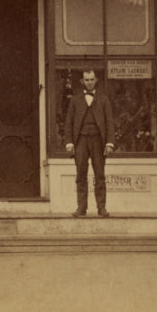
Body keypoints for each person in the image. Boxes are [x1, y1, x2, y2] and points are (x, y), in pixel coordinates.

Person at [63, 69, 116, 217]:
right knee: (81, 174)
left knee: (100, 174)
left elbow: (110, 122)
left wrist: (109, 143)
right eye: (86, 80)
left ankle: (101, 208)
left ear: (96, 80)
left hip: (98, 141)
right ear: (82, 81)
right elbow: (68, 123)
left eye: (92, 79)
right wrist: (69, 143)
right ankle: (81, 208)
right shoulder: (75, 100)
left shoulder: (104, 100)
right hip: (80, 141)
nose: (89, 82)